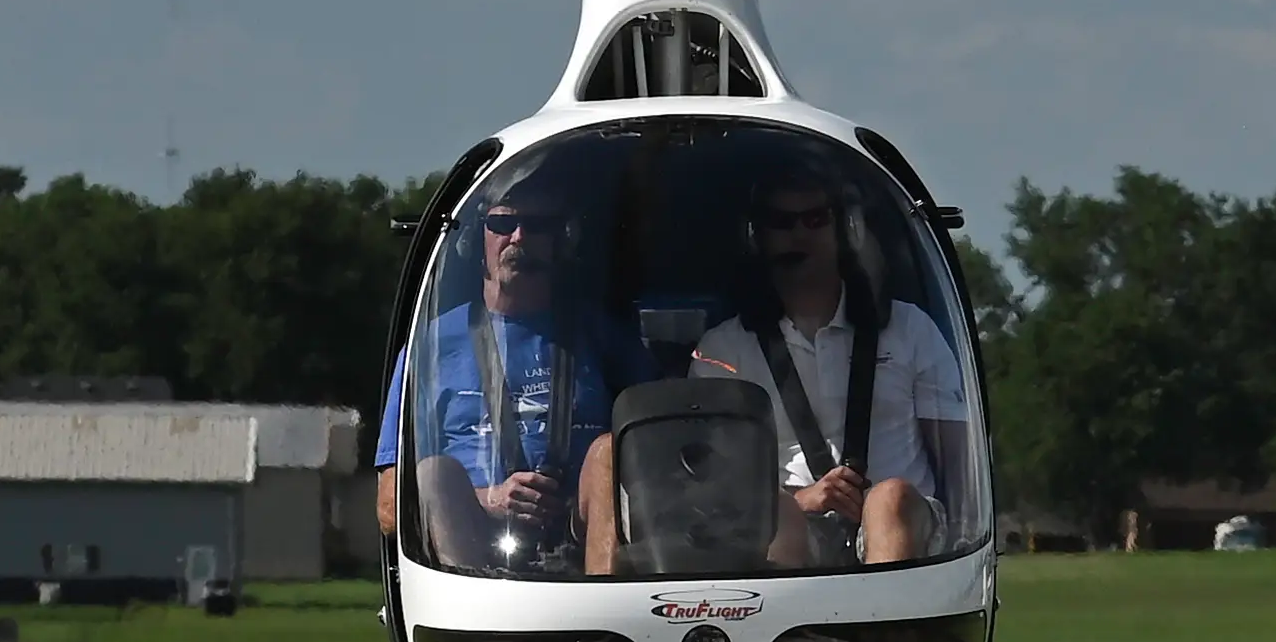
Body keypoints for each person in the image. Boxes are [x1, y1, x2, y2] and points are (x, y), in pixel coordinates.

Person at [690, 168, 969, 567]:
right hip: (791, 523)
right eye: (782, 223)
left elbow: (958, 460)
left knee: (888, 501)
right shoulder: (722, 349)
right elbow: (716, 481)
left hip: (906, 522)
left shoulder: (910, 329)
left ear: (847, 230)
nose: (800, 235)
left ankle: (886, 626)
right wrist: (803, 500)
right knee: (776, 511)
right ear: (757, 237)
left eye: (816, 220)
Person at [379, 173, 631, 573]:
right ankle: (474, 617)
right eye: (501, 224)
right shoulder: (428, 346)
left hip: (579, 530)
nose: (518, 238)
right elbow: (390, 506)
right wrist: (488, 498)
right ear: (476, 240)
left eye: (537, 226)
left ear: (561, 241)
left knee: (608, 453)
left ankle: (604, 614)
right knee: (433, 473)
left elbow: (660, 448)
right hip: (476, 543)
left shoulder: (602, 336)